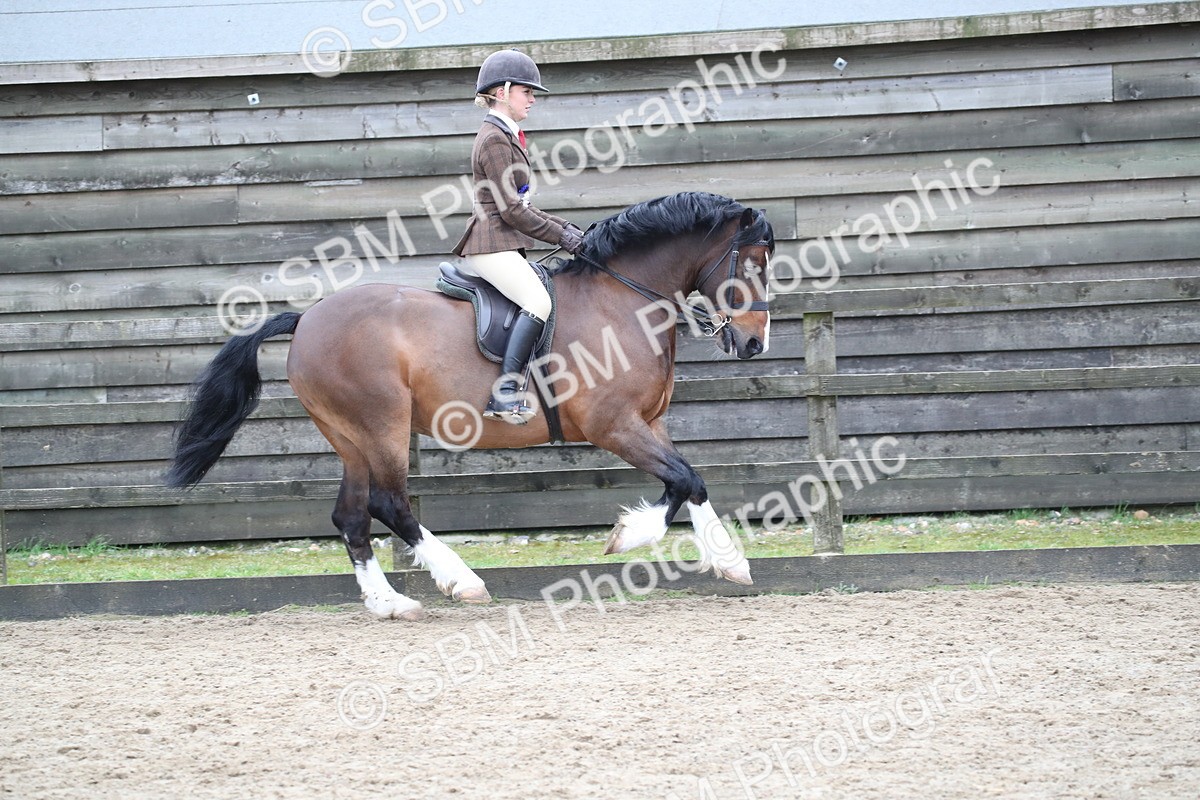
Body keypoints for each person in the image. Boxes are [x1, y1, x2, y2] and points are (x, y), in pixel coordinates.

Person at [452, 48, 585, 424]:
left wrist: (566, 229)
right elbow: (512, 211)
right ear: (502, 91)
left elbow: (522, 207)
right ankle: (505, 393)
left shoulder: (507, 136)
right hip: (490, 243)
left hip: (503, 241)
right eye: (526, 92)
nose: (532, 100)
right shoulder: (494, 139)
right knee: (537, 301)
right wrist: (561, 236)